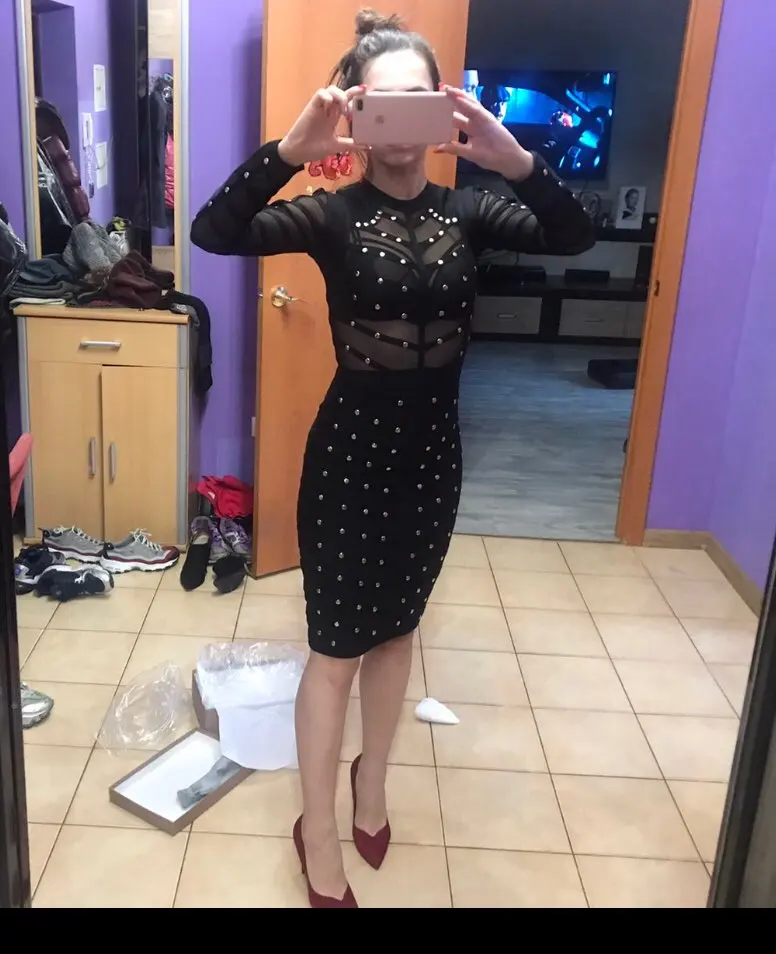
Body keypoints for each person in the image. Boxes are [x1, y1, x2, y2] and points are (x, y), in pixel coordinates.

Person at [191, 8, 594, 909]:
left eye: (420, 98)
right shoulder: (330, 215)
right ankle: (317, 829)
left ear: (443, 107)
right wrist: (290, 151)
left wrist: (513, 159)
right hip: (348, 461)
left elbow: (576, 235)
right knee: (335, 650)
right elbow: (216, 231)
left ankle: (371, 780)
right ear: (357, 112)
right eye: (385, 101)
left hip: (433, 461)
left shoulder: (471, 211)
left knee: (400, 632)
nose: (404, 118)